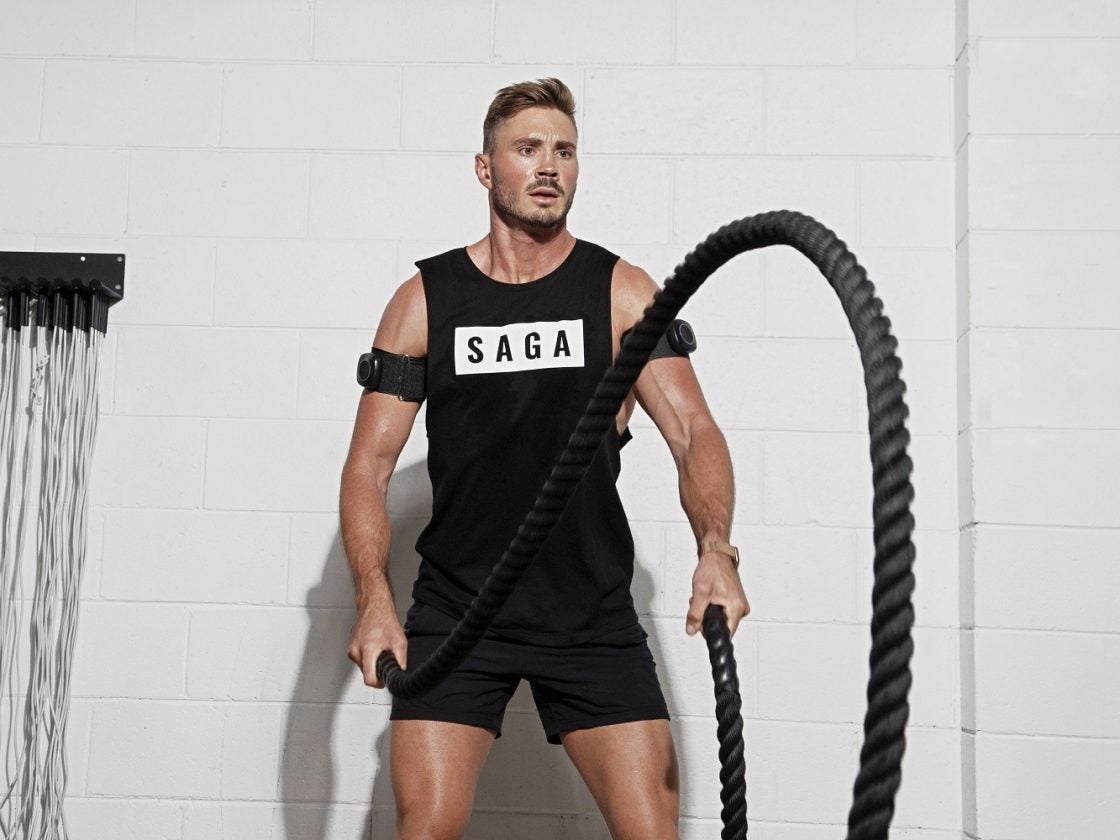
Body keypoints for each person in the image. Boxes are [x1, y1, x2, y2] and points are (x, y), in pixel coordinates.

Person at [340, 77, 750, 840]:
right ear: (485, 168)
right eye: (527, 149)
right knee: (425, 828)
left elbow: (694, 431)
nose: (549, 166)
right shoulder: (426, 299)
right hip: (459, 611)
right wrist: (373, 597)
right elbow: (369, 466)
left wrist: (716, 549)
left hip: (590, 612)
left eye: (564, 150)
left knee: (653, 832)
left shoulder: (621, 292)